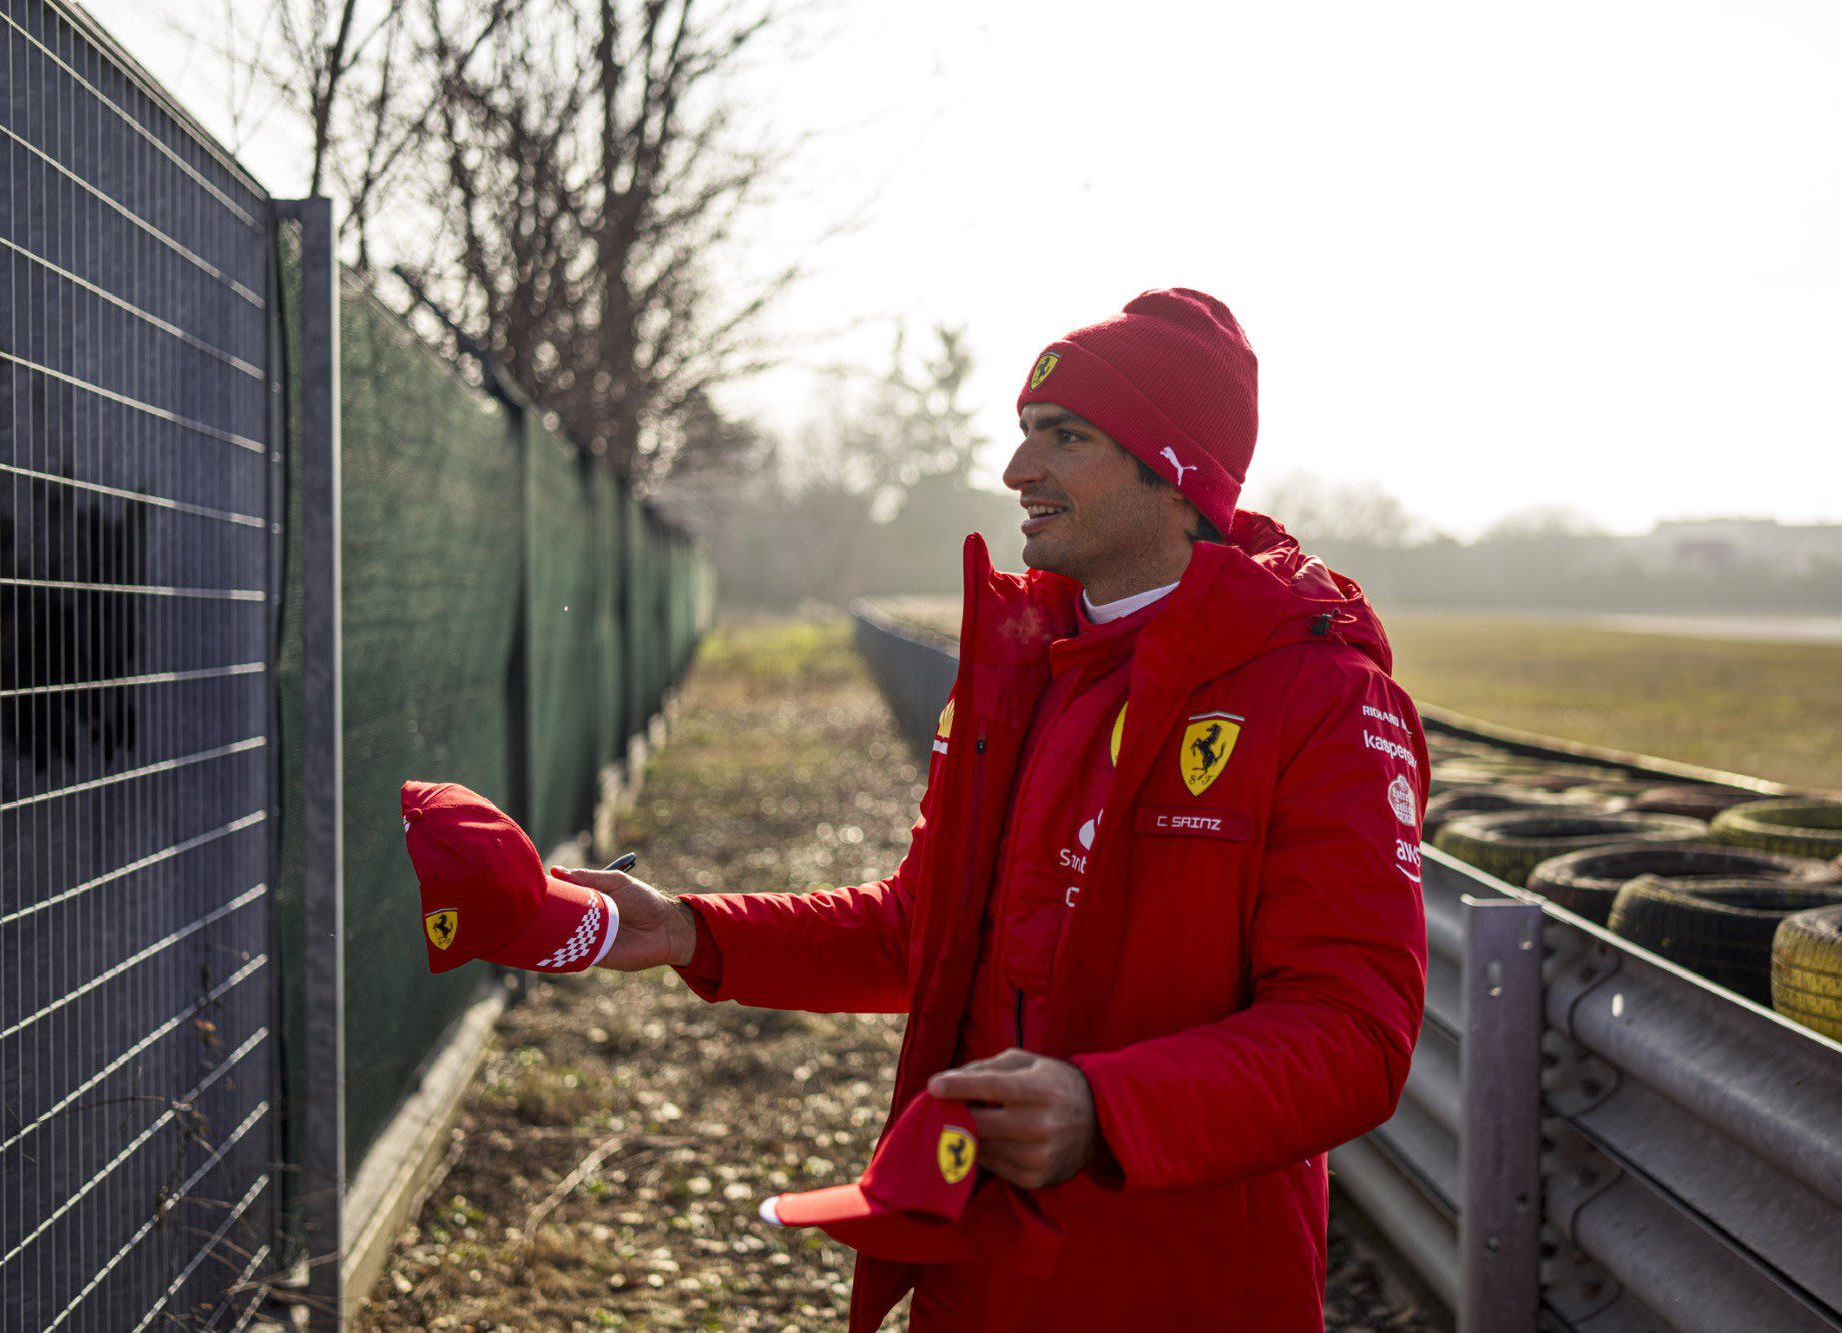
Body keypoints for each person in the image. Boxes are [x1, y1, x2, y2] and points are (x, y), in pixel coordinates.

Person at [556, 288, 1430, 1331]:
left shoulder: (1322, 695)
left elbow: (1353, 1035)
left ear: (1175, 473)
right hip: (973, 1273)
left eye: (1065, 436)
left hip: (1175, 1290)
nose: (1019, 470)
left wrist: (1104, 1111)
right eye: (1024, 432)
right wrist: (686, 930)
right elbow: (921, 932)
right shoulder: (1025, 671)